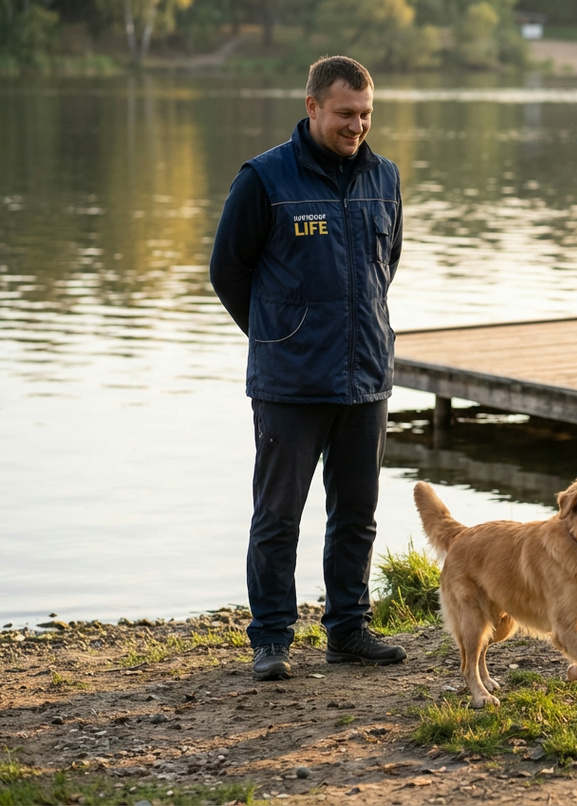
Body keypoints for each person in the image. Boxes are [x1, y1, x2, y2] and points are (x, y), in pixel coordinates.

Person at [210, 55, 407, 681]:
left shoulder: (385, 178)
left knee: (356, 513)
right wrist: (276, 335)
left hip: (367, 376)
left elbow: (386, 266)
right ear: (313, 106)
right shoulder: (264, 179)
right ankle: (271, 638)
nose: (358, 126)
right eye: (346, 113)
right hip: (290, 383)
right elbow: (227, 271)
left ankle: (348, 629)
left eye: (366, 114)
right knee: (278, 515)